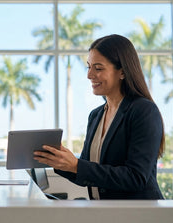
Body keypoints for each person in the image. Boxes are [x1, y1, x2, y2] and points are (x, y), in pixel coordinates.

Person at [34, 34, 165, 200]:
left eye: (98, 68)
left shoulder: (143, 111)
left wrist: (76, 165)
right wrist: (61, 162)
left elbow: (136, 177)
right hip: (106, 212)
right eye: (89, 67)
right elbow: (88, 171)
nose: (89, 75)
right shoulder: (96, 115)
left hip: (139, 213)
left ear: (122, 72)